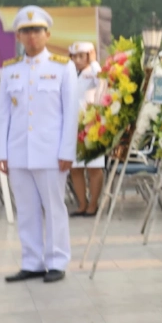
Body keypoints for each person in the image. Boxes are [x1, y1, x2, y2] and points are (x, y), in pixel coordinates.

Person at [0, 6, 78, 283]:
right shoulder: (11, 70)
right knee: (27, 210)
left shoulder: (63, 66)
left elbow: (70, 114)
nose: (32, 37)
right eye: (26, 32)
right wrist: (1, 152)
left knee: (54, 208)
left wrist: (67, 151)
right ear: (19, 36)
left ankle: (56, 261)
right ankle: (32, 261)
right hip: (19, 152)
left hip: (51, 153)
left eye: (37, 31)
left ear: (47, 34)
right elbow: (4, 113)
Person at [68, 41, 103, 217]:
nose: (77, 60)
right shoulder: (69, 72)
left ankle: (93, 204)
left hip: (91, 125)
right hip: (72, 126)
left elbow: (103, 81)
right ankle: (82, 204)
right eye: (74, 56)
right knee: (75, 168)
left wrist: (95, 62)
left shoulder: (94, 71)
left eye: (81, 56)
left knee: (94, 168)